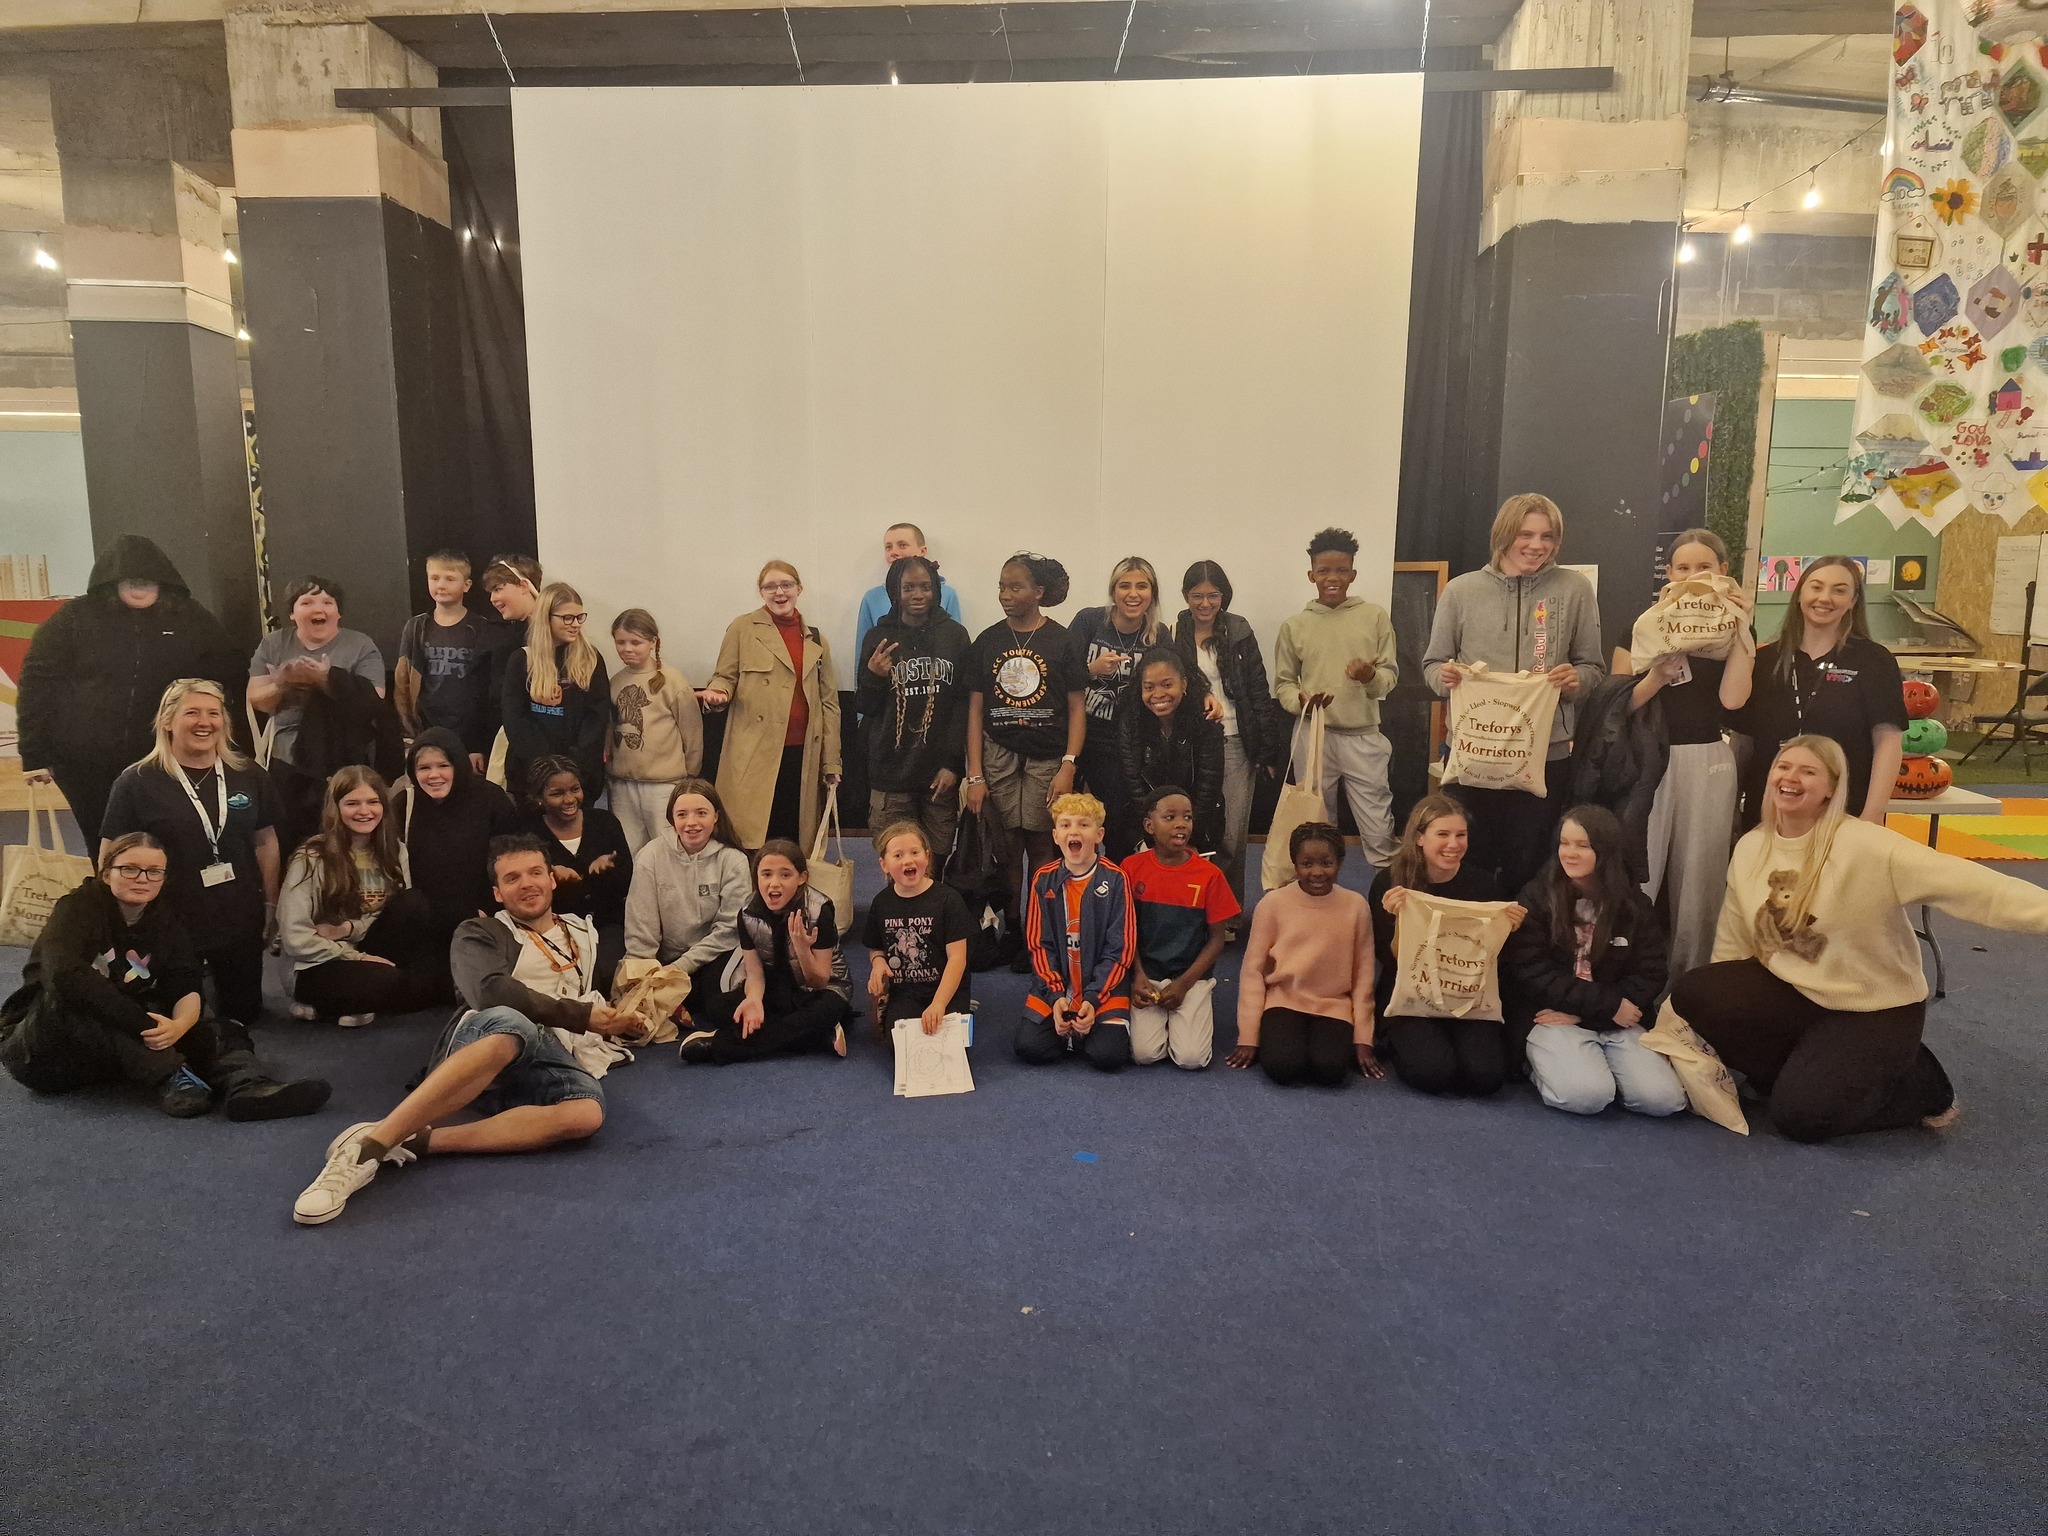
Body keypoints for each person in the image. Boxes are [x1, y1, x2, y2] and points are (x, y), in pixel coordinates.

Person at [1673, 734, 2048, 1142]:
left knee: (1801, 1119)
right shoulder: (1752, 846)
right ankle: (1821, 1072)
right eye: (1784, 767)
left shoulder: (1867, 846)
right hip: (1799, 993)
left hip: (1874, 1009)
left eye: (1808, 771)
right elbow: (1734, 939)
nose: (1790, 778)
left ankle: (1922, 1083)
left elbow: (1976, 888)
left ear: (1831, 788)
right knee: (1698, 992)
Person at [291, 834, 640, 1226]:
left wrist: (632, 1012)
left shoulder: (580, 931)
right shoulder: (478, 932)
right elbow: (492, 993)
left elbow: (593, 989)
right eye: (512, 878)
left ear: (552, 879)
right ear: (497, 893)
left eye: (535, 873)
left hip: (549, 1051)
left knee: (586, 1113)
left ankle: (414, 1140)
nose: (527, 884)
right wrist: (582, 1015)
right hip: (487, 1037)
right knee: (512, 1022)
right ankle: (366, 1151)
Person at [1, 833, 328, 1120]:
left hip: (119, 1045)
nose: (142, 878)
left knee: (218, 1025)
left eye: (153, 871)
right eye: (129, 869)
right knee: (82, 1000)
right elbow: (65, 977)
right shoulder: (77, 908)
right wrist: (146, 1026)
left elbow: (185, 978)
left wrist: (180, 1026)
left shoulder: (166, 918)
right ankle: (172, 1075)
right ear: (106, 872)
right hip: (43, 1048)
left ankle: (248, 1087)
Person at [1423, 493, 1605, 896]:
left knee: (1531, 867)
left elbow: (1593, 667)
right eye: (1526, 534)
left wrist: (1575, 679)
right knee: (1467, 863)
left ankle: (1522, 937)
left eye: (1547, 536)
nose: (1537, 545)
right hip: (1474, 753)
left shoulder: (1574, 589)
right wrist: (1444, 677)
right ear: (1503, 535)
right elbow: (1432, 665)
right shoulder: (1461, 591)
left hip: (1544, 757)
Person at [17, 534, 241, 844]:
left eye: (148, 579)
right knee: (105, 842)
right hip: (83, 762)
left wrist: (226, 745)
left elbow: (228, 673)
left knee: (168, 840)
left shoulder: (191, 618)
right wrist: (34, 754)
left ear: (164, 580)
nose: (140, 585)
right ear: (111, 581)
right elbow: (37, 683)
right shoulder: (73, 618)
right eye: (131, 579)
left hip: (162, 757)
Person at [100, 679, 280, 1028]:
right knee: (175, 1021)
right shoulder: (137, 781)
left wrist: (271, 903)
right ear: (167, 721)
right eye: (192, 713)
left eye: (214, 713)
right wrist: (117, 919)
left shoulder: (248, 774)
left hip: (238, 915)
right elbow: (110, 855)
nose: (205, 722)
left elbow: (266, 841)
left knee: (244, 1016)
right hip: (169, 919)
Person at [1502, 805, 1685, 1118]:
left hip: (1615, 1019)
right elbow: (1531, 972)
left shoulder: (1634, 904)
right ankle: (1541, 1066)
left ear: (1605, 851)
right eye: (1564, 843)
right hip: (1554, 1015)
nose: (1570, 853)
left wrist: (1595, 1013)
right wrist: (1606, 1006)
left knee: (1663, 1100)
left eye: (1582, 846)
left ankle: (1602, 1068)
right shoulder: (1536, 896)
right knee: (1587, 1096)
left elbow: (1651, 972)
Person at [1630, 528, 1755, 976]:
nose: (1693, 575)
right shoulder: (1648, 623)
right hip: (1651, 759)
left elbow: (1733, 700)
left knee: (1701, 878)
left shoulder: (1734, 628)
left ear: (1723, 571)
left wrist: (1742, 626)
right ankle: (1632, 970)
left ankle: (1691, 978)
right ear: (1669, 573)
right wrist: (1658, 675)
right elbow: (1621, 704)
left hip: (1707, 758)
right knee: (1642, 869)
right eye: (1683, 567)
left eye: (1704, 567)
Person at [964, 553, 1086, 962]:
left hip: (1048, 757)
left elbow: (1076, 708)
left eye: (1015, 587)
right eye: (1001, 586)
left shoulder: (1063, 641)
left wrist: (1069, 763)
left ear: (1039, 592)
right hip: (998, 755)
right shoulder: (988, 640)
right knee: (1007, 845)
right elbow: (975, 711)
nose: (1005, 595)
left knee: (1040, 843)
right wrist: (975, 775)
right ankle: (1013, 926)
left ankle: (1039, 928)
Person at [1370, 795, 1526, 1097]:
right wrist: (1399, 921)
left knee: (1486, 1078)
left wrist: (1509, 928)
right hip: (1411, 995)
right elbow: (1390, 959)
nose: (1453, 844)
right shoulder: (1391, 883)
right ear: (1419, 837)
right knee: (1434, 1074)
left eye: (1460, 835)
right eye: (1442, 834)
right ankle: (1401, 1040)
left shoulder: (1484, 885)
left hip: (1466, 993)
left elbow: (1494, 958)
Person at [1735, 555, 1905, 830]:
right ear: (1800, 594)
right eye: (1816, 587)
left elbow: (1888, 742)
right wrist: (1730, 806)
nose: (1825, 598)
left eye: (1839, 590)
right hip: (1768, 814)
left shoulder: (1874, 661)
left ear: (1853, 601)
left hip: (1844, 816)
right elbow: (1743, 742)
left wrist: (1872, 815)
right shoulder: (1764, 661)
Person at [278, 765, 450, 1026]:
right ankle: (339, 1001)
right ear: (336, 808)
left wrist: (349, 929)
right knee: (398, 983)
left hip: (367, 947)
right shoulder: (311, 856)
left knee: (415, 905)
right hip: (317, 962)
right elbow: (295, 938)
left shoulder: (395, 851)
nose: (364, 811)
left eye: (372, 802)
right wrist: (357, 957)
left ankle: (351, 1003)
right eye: (352, 803)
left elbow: (391, 915)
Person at [1274, 527, 1402, 867]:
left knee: (1378, 824)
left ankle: (1389, 891)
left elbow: (1388, 678)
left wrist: (1369, 676)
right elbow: (1284, 684)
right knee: (1315, 826)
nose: (1333, 578)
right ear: (1311, 575)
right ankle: (1317, 890)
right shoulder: (1294, 626)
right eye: (1324, 571)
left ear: (1353, 574)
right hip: (1313, 735)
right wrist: (1300, 702)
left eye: (1342, 570)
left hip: (1363, 735)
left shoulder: (1374, 617)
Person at [246, 575, 392, 860]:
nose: (319, 609)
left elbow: (374, 701)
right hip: (286, 761)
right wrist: (284, 684)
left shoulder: (360, 645)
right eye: (307, 602)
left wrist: (326, 679)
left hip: (345, 760)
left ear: (338, 612)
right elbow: (257, 700)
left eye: (327, 602)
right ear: (292, 613)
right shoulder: (274, 643)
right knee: (291, 843)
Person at [701, 561, 843, 849]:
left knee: (794, 839)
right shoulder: (742, 628)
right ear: (761, 592)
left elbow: (829, 704)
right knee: (751, 838)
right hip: (755, 753)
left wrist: (831, 761)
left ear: (799, 589)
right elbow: (724, 676)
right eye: (770, 586)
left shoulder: (817, 640)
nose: (779, 592)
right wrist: (718, 693)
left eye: (786, 585)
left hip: (803, 755)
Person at [1227, 822, 1379, 1087]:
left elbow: (1364, 974)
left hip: (1334, 1004)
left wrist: (1363, 1038)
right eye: (1307, 864)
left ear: (1340, 863)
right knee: (1283, 1067)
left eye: (1327, 863)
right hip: (1283, 1001)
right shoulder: (1272, 904)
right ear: (1295, 865)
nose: (1317, 872)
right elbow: (1252, 972)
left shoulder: (1356, 906)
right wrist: (1249, 1037)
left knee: (1331, 1071)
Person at [1174, 560, 1288, 906]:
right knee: (1194, 828)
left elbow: (1257, 690)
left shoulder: (1238, 630)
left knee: (1232, 834)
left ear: (1223, 596)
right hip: (1192, 743)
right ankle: (1196, 908)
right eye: (1197, 596)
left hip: (1236, 740)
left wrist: (1267, 749)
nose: (1205, 603)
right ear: (1186, 596)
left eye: (1213, 595)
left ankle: (1229, 911)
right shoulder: (1174, 631)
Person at [681, 841, 852, 1065]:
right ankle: (818, 1036)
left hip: (822, 990)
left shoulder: (819, 910)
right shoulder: (747, 913)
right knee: (719, 1009)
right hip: (777, 985)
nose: (774, 883)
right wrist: (753, 999)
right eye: (766, 874)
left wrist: (803, 950)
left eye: (785, 875)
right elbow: (754, 973)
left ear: (802, 878)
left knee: (824, 1010)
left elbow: (819, 980)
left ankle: (721, 1046)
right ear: (756, 877)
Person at [857, 555, 972, 876]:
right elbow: (865, 705)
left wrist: (953, 764)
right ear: (895, 591)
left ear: (936, 589)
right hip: (890, 772)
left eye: (925, 587)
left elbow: (962, 707)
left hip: (938, 775)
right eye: (908, 588)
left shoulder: (955, 636)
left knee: (935, 859)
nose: (917, 595)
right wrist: (874, 676)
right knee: (898, 860)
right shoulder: (878, 637)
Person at [1014, 793, 1137, 1070]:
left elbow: (1121, 949)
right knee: (1029, 1046)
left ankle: (1082, 1031)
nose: (1074, 831)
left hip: (1103, 989)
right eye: (1066, 825)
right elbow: (1038, 945)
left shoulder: (1116, 878)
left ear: (1099, 835)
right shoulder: (1043, 879)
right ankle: (1067, 1027)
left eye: (1084, 824)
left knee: (1108, 1056)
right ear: (1056, 836)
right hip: (1057, 986)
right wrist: (1056, 996)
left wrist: (1093, 999)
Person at [622, 779, 753, 1032]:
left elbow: (729, 930)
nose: (691, 823)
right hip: (666, 962)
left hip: (715, 955)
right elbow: (641, 924)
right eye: (682, 815)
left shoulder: (734, 860)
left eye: (701, 813)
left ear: (716, 816)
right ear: (672, 819)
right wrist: (642, 975)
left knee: (721, 1006)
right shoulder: (650, 856)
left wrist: (681, 967)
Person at [1124, 787, 1239, 1070]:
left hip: (1191, 977)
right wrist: (1138, 975)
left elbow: (1216, 939)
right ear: (1149, 826)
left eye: (1187, 817)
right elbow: (1126, 930)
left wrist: (1185, 984)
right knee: (1144, 1054)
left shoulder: (1210, 875)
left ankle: (1192, 1010)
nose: (1181, 824)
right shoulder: (1130, 867)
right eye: (1170, 817)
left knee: (1191, 1059)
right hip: (1147, 976)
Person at [1071, 556, 1170, 857]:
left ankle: (1116, 881)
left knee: (1118, 823)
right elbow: (1059, 674)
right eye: (1125, 586)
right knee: (1069, 820)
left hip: (1125, 740)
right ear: (1113, 591)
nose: (1133, 594)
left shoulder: (1159, 634)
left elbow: (1174, 680)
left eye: (1142, 586)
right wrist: (1091, 670)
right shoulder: (1089, 621)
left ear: (1152, 593)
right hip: (1080, 730)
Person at [394, 727, 519, 948]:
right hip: (424, 928)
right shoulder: (404, 804)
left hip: (482, 922)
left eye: (443, 765)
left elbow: (511, 857)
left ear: (458, 765)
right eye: (424, 768)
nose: (434, 775)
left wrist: (488, 909)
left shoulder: (490, 799)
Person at [521, 756, 633, 989]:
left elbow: (627, 883)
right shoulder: (527, 833)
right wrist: (549, 876)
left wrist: (607, 870)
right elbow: (522, 890)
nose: (570, 799)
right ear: (539, 797)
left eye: (575, 789)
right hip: (554, 926)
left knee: (607, 974)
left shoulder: (605, 822)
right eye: (557, 793)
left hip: (607, 923)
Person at [501, 581, 610, 802]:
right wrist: (546, 766)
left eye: (579, 617)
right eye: (567, 618)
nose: (575, 624)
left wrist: (571, 765)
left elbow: (596, 718)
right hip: (531, 773)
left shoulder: (591, 659)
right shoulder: (521, 660)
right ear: (546, 617)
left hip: (579, 772)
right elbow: (515, 719)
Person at [863, 821, 974, 1038]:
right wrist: (878, 963)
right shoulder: (881, 903)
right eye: (898, 855)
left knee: (949, 1046)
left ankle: (964, 1005)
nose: (908, 860)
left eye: (915, 852)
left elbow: (957, 959)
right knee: (900, 1044)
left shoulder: (949, 900)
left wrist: (939, 1003)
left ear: (927, 857)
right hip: (905, 992)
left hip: (946, 989)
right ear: (884, 864)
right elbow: (876, 947)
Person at [607, 608, 703, 855]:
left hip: (664, 785)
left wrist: (689, 776)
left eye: (635, 642)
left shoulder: (673, 681)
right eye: (620, 642)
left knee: (667, 848)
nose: (627, 649)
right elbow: (610, 729)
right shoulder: (615, 681)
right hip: (623, 785)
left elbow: (692, 734)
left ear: (653, 642)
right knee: (628, 850)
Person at [392, 550, 498, 771]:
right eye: (434, 578)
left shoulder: (481, 627)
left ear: (466, 585)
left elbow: (486, 689)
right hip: (427, 730)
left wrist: (477, 745)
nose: (441, 585)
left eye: (450, 579)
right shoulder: (416, 627)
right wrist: (410, 736)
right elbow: (403, 682)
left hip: (467, 732)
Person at [1116, 646, 1225, 855]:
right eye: (1149, 687)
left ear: (1184, 684)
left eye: (1167, 685)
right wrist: (1151, 837)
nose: (1158, 694)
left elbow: (1207, 790)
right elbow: (1135, 790)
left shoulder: (1206, 721)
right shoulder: (1131, 723)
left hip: (1197, 829)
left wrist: (1188, 839)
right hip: (1147, 829)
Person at [853, 521, 967, 661]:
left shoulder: (947, 594)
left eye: (902, 545)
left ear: (922, 551)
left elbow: (956, 646)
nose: (894, 552)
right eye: (888, 547)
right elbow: (863, 655)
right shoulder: (872, 598)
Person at [477, 554, 543, 785]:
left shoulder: (553, 634)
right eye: (491, 592)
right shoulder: (495, 633)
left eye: (498, 589)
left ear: (523, 586)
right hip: (503, 739)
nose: (493, 598)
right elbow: (483, 692)